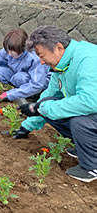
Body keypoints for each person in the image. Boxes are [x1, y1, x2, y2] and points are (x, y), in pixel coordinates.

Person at [16, 25, 97, 183]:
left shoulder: (88, 59)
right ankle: (86, 147)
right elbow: (50, 95)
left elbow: (90, 101)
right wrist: (28, 123)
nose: (40, 62)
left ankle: (91, 166)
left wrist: (43, 108)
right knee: (49, 106)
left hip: (93, 104)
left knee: (78, 120)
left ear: (59, 47)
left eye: (41, 55)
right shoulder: (62, 64)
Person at [0, 28, 50, 102]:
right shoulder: (7, 50)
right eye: (7, 50)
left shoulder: (34, 58)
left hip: (40, 82)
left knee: (19, 77)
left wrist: (9, 95)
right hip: (18, 75)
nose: (9, 54)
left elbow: (37, 84)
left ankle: (32, 95)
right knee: (0, 71)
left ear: (22, 48)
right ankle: (19, 90)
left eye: (12, 52)